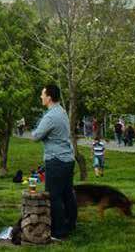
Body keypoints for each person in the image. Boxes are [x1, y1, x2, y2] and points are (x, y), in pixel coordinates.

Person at [31, 83, 77, 240]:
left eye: (43, 94)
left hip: (56, 160)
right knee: (67, 193)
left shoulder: (50, 116)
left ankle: (59, 232)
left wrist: (38, 132)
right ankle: (70, 225)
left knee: (54, 196)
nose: (41, 97)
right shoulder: (62, 111)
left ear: (49, 97)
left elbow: (36, 136)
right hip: (67, 160)